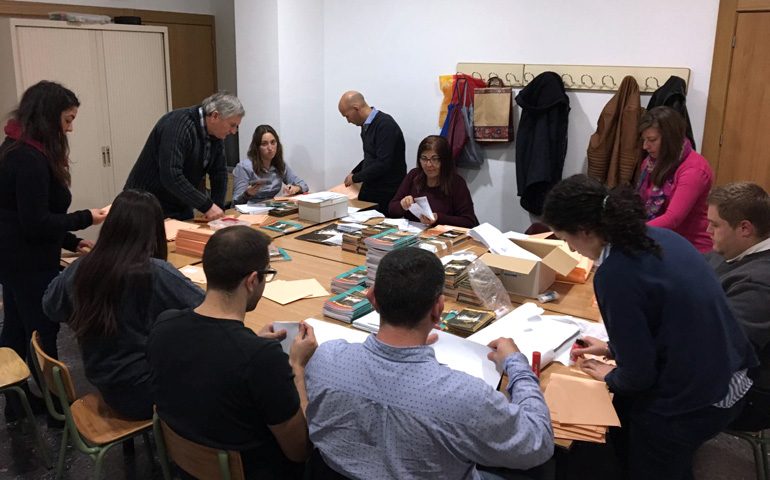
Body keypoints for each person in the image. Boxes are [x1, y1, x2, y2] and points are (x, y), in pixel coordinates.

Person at [543, 174, 756, 480]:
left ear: (585, 231)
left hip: (698, 399)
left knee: (638, 453)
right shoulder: (659, 237)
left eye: (566, 239)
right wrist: (613, 348)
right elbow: (668, 320)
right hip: (731, 373)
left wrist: (612, 375)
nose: (571, 249)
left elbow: (638, 376)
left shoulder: (615, 273)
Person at [305, 247, 554, 480]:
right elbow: (538, 443)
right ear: (438, 309)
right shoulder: (465, 397)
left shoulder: (326, 359)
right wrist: (516, 364)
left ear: (372, 298)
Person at [148, 226, 317, 479]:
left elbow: (214, 358)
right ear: (252, 281)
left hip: (186, 468)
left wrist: (251, 343)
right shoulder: (262, 359)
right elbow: (300, 450)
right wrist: (297, 367)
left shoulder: (164, 324)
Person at [42, 190, 205, 420]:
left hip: (104, 382)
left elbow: (50, 307)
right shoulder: (154, 271)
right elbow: (209, 308)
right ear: (154, 231)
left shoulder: (83, 267)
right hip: (147, 394)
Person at [0, 81, 107, 421]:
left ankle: (16, 402)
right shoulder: (28, 159)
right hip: (28, 263)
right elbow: (35, 222)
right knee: (42, 331)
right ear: (48, 116)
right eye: (67, 120)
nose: (70, 129)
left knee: (16, 328)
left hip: (13, 258)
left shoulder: (16, 146)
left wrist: (72, 242)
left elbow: (25, 216)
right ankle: (57, 407)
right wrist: (87, 217)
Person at [705, 182, 770, 432]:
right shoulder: (732, 249)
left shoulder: (760, 283)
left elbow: (720, 350)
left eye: (715, 225)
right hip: (714, 361)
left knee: (629, 394)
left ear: (745, 228)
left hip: (747, 394)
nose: (708, 230)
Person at [124, 92, 244, 221]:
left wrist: (217, 208)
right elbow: (171, 175)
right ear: (215, 116)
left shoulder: (216, 134)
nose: (234, 131)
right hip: (146, 205)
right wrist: (207, 206)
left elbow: (219, 173)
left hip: (180, 204)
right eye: (232, 125)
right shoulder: (177, 124)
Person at [637, 106, 713, 252]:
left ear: (670, 139)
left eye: (652, 140)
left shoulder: (694, 170)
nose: (645, 146)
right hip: (660, 239)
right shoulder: (650, 163)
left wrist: (633, 232)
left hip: (691, 247)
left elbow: (673, 218)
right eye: (644, 140)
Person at [388, 135, 479, 228]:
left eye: (435, 159)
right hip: (414, 232)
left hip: (442, 234)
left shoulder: (456, 183)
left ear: (444, 160)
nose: (428, 164)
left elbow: (468, 222)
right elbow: (391, 209)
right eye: (424, 158)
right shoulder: (414, 175)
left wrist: (438, 218)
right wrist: (402, 205)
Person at [338, 91, 406, 214]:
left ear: (356, 108)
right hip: (372, 188)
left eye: (347, 116)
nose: (348, 121)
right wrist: (354, 172)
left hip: (386, 192)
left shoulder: (385, 125)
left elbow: (383, 163)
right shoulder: (366, 126)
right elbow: (371, 156)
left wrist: (356, 177)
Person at [232, 124, 308, 205]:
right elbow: (236, 201)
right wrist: (247, 194)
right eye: (264, 144)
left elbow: (304, 185)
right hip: (248, 209)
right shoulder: (244, 167)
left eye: (273, 142)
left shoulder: (280, 164)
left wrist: (295, 188)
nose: (270, 148)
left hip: (270, 207)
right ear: (257, 147)